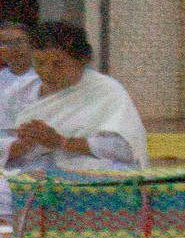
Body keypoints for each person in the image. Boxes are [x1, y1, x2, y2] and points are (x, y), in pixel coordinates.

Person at [0, 21, 149, 174]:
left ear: (81, 61)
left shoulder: (106, 91)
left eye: (58, 64)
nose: (47, 71)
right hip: (28, 172)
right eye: (39, 63)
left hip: (87, 172)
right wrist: (22, 145)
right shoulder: (18, 92)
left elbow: (127, 149)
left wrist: (62, 142)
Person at [0, 21, 41, 123]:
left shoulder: (45, 77)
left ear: (31, 44)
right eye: (5, 43)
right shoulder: (2, 78)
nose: (13, 48)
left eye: (18, 41)